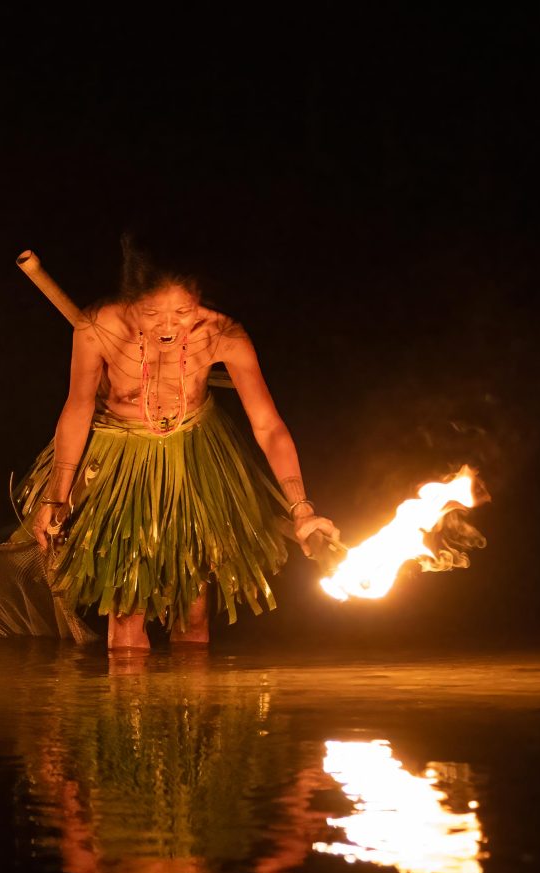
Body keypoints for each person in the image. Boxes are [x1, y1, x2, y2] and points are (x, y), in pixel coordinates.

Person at [21, 237, 339, 649]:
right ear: (132, 301)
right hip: (120, 460)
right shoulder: (97, 327)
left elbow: (268, 426)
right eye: (152, 312)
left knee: (194, 606)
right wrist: (56, 497)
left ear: (199, 301)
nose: (168, 326)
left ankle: (189, 702)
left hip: (195, 458)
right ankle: (128, 706)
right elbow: (78, 408)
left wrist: (301, 507)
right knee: (126, 603)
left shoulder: (223, 334)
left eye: (182, 312)